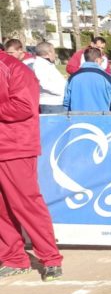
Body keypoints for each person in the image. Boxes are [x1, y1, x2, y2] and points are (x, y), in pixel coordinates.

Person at [0, 50, 64, 281]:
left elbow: (24, 106)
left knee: (26, 204)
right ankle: (14, 258)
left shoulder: (13, 68)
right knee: (2, 210)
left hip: (14, 147)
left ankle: (51, 258)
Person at [63, 47, 111, 112]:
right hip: (102, 116)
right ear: (97, 60)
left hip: (77, 117)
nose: (102, 62)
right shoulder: (108, 78)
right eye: (102, 60)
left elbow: (66, 103)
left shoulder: (72, 78)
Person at [27, 42, 67, 114]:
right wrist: (62, 91)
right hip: (51, 104)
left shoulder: (45, 64)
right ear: (49, 53)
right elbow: (44, 84)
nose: (55, 54)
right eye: (54, 51)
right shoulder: (40, 65)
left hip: (55, 102)